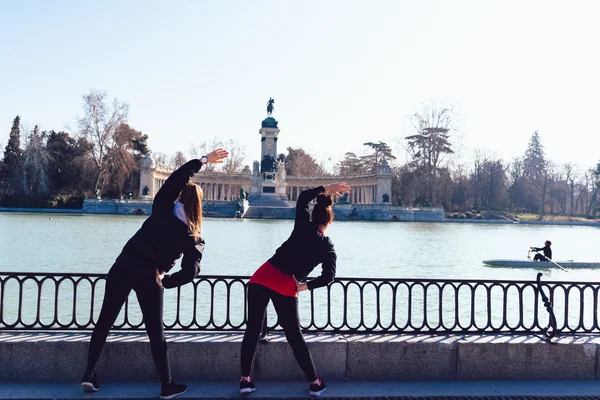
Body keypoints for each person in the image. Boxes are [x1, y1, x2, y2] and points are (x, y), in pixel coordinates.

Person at [80, 149, 228, 400]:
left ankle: (88, 375)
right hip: (150, 274)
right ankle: (166, 384)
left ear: (180, 196)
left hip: (124, 264)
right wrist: (167, 280)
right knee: (155, 331)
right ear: (199, 206)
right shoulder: (194, 235)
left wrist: (203, 160)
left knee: (105, 321)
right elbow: (191, 271)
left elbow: (176, 177)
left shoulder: (162, 207)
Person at [239, 183, 351, 397]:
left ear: (314, 215)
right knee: (294, 337)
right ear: (330, 220)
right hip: (286, 285)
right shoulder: (328, 247)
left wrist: (325, 187)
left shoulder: (302, 225)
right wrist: (304, 286)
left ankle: (245, 380)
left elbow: (302, 198)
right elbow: (329, 277)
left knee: (252, 330)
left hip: (262, 276)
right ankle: (314, 382)